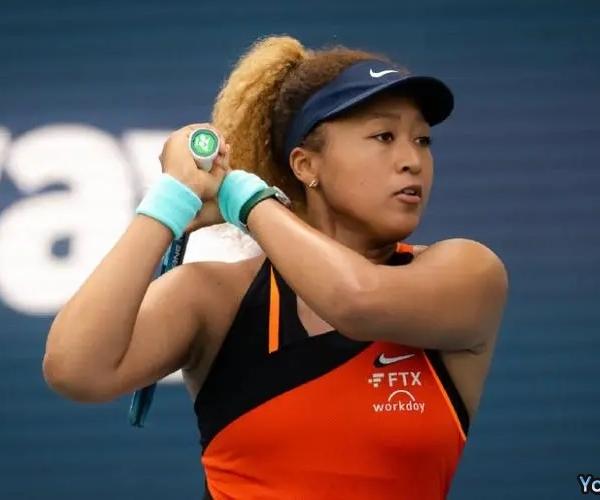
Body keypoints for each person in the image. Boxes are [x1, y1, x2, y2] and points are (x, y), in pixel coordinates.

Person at [43, 35, 508, 499]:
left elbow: (355, 300)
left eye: (422, 140)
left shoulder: (468, 273)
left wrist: (241, 198)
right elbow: (75, 370)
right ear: (306, 166)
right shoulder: (218, 298)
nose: (413, 161)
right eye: (384, 136)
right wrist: (171, 200)